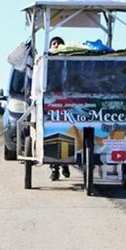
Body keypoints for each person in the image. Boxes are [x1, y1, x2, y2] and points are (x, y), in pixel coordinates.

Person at [48, 36, 71, 180]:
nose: (56, 45)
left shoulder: (68, 63)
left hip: (68, 102)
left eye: (59, 44)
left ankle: (66, 164)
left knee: (67, 133)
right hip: (51, 102)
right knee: (53, 134)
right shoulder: (47, 62)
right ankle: (54, 168)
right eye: (54, 43)